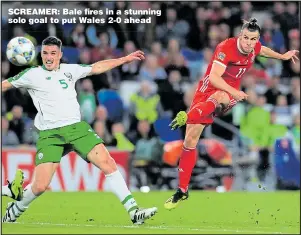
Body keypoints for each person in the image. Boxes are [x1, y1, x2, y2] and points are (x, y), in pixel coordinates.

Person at [2, 36, 157, 224]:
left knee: (107, 162)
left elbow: (97, 67)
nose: (49, 57)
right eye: (45, 53)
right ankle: (16, 209)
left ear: (60, 55)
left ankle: (133, 211)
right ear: (40, 55)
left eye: (53, 53)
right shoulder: (31, 74)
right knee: (40, 185)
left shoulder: (70, 70)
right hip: (50, 134)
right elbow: (4, 85)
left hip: (77, 129)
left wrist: (124, 59)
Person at [164, 18, 299, 210]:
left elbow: (263, 50)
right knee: (190, 140)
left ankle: (187, 116)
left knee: (219, 96)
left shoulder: (253, 47)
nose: (249, 43)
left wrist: (283, 56)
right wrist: (235, 91)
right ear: (240, 36)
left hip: (227, 94)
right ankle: (182, 190)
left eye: (253, 39)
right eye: (246, 38)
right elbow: (214, 77)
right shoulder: (225, 48)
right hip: (206, 91)